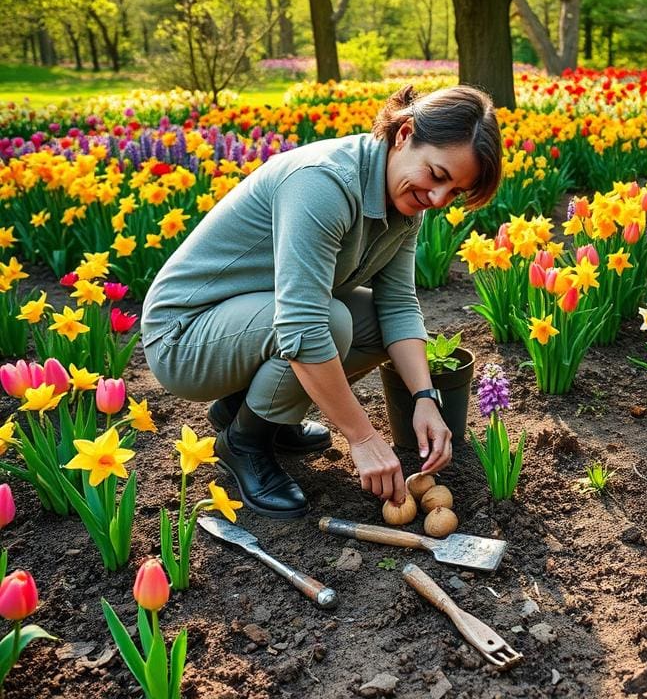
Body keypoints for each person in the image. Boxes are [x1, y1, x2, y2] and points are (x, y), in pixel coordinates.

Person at [141, 85, 502, 519]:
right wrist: (363, 437)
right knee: (330, 321)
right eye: (438, 176)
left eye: (454, 192)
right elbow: (302, 325)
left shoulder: (403, 201)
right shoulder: (324, 183)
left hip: (246, 320)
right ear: (405, 134)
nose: (439, 199)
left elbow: (399, 305)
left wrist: (425, 397)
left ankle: (249, 411)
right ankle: (244, 443)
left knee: (366, 320)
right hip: (184, 336)